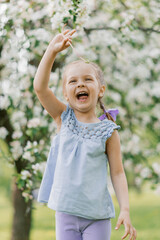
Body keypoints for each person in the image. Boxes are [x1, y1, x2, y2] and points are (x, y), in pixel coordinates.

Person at [33, 27, 137, 240]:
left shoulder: (109, 132)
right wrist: (51, 52)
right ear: (66, 94)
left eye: (88, 79)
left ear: (100, 89)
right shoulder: (64, 118)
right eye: (73, 81)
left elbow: (117, 173)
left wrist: (125, 209)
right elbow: (40, 88)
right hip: (66, 213)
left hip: (97, 216)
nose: (80, 83)